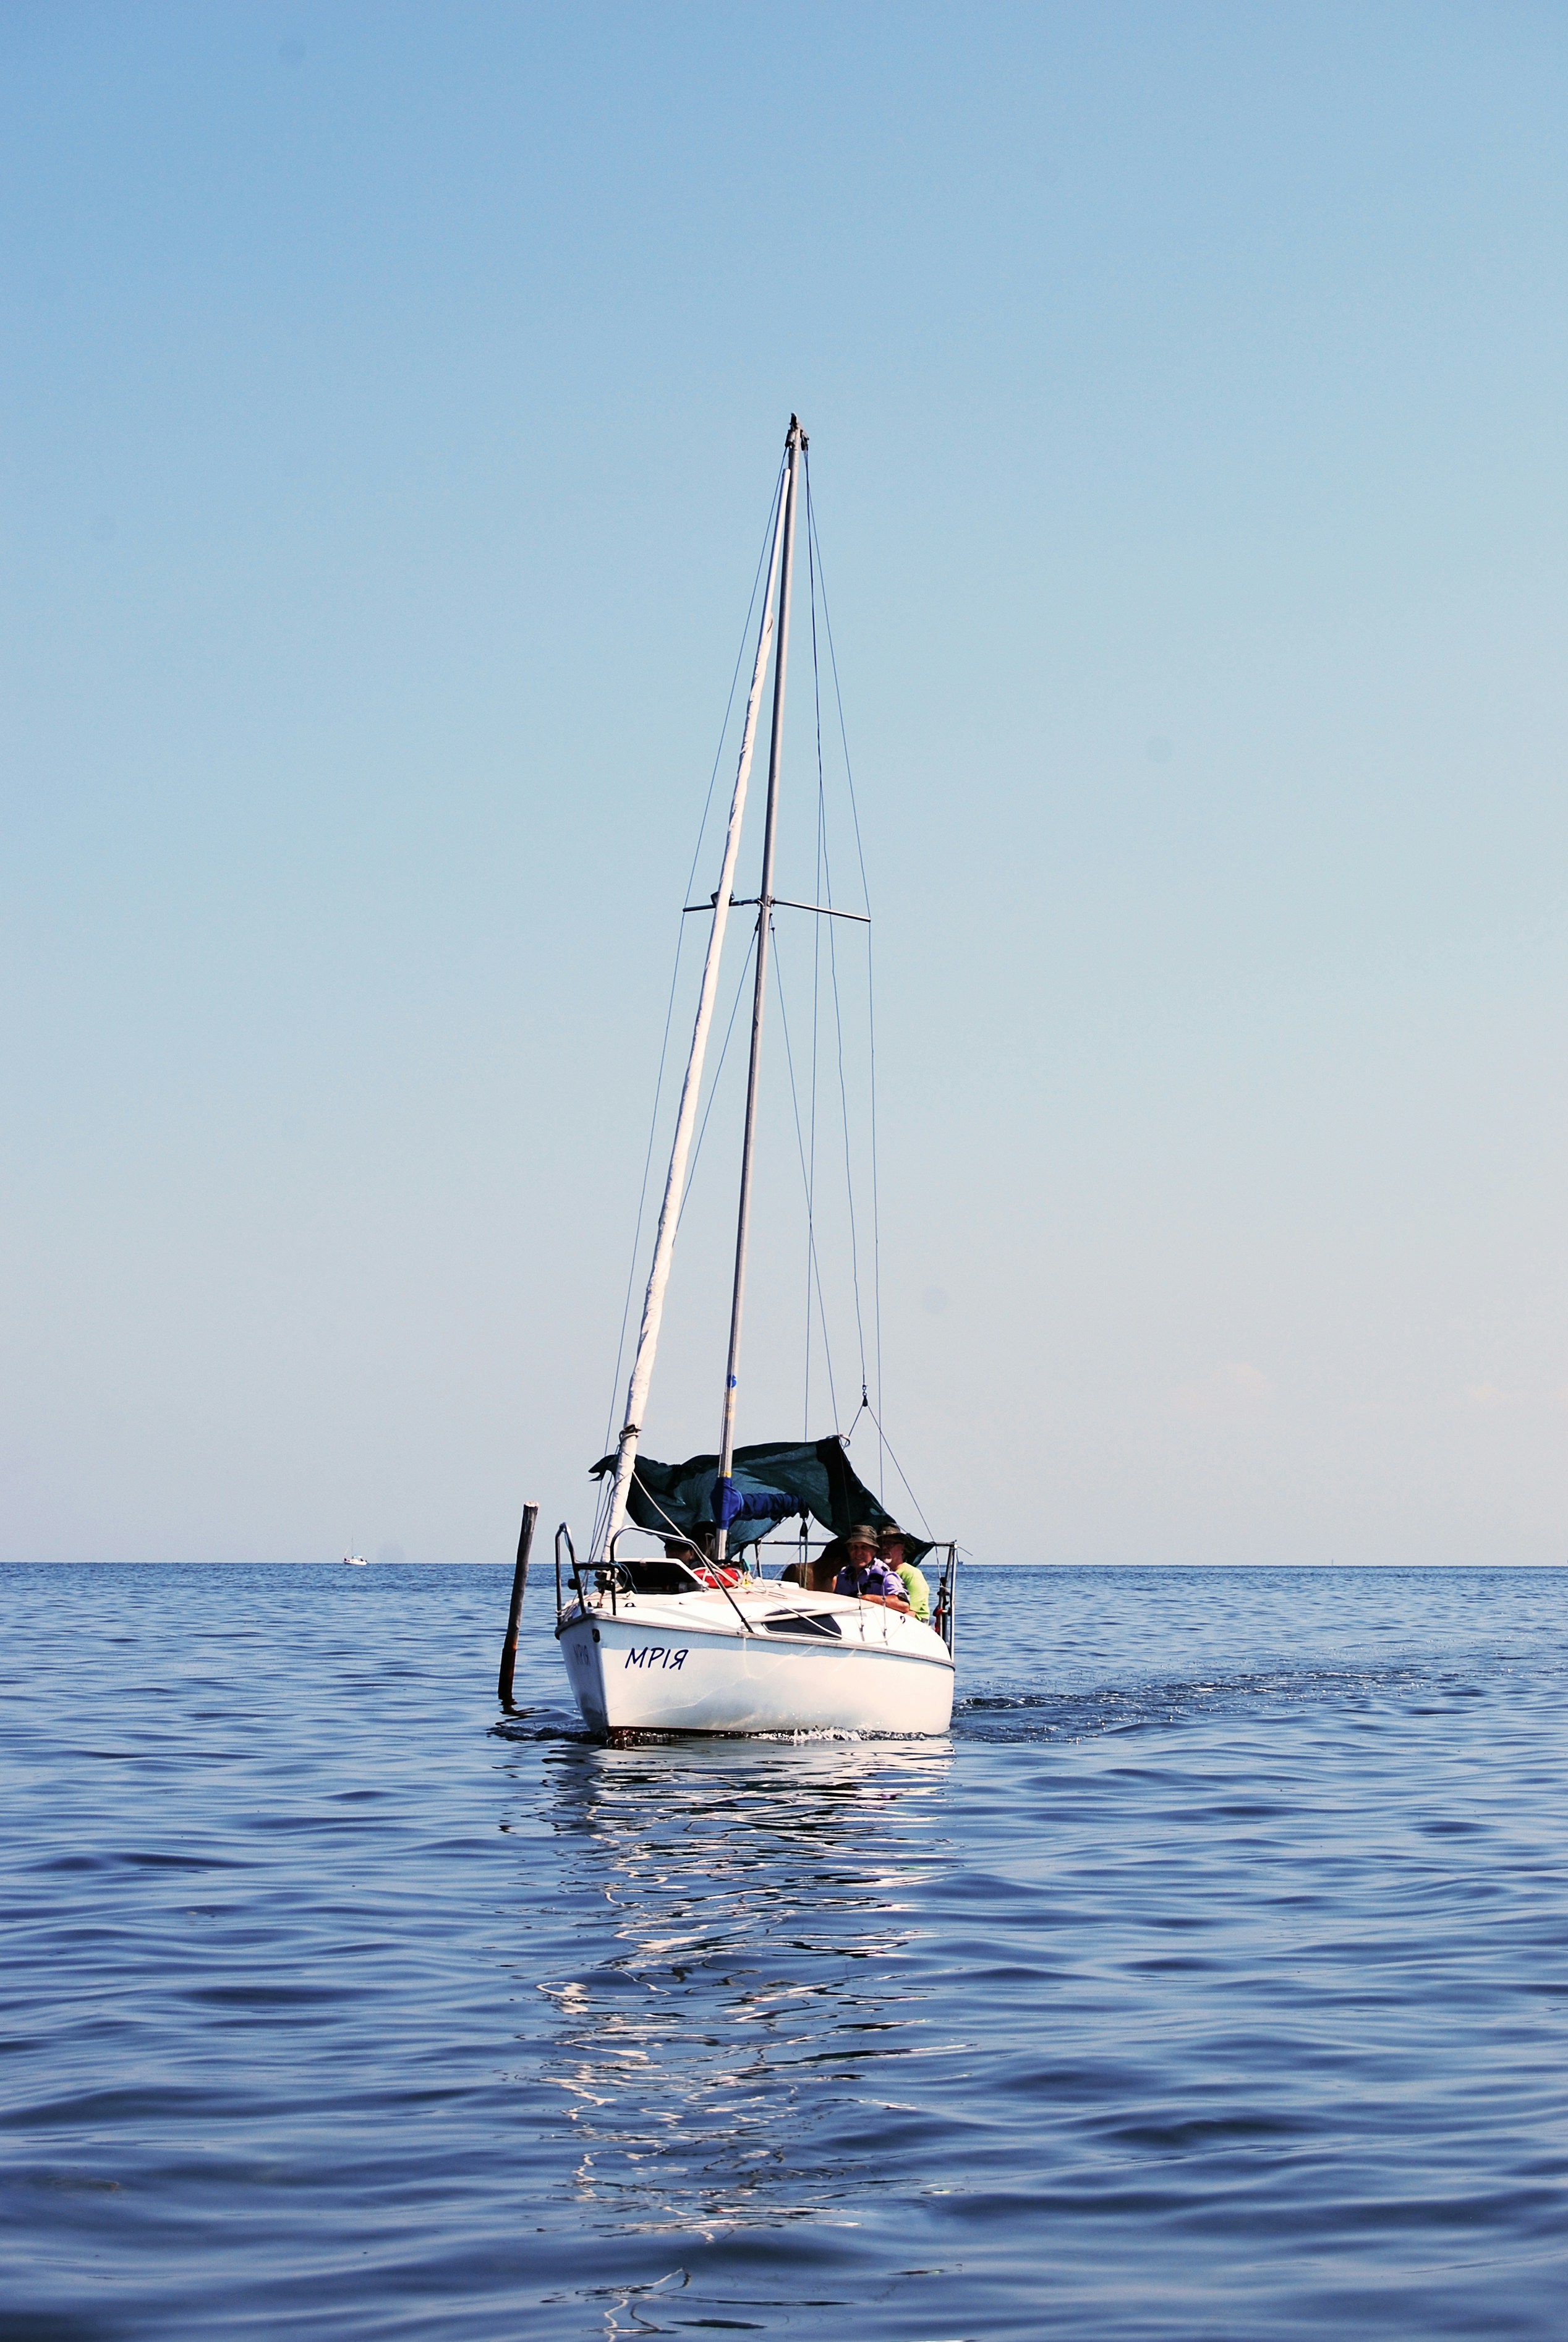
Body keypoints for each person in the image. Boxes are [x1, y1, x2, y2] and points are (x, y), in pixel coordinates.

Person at [833, 1525, 911, 1612]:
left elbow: (903, 1605)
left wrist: (868, 1598)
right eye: (854, 1547)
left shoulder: (883, 1574)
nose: (858, 1553)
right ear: (848, 1550)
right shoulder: (843, 1575)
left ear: (874, 1550)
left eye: (864, 1547)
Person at [878, 1528, 929, 1622]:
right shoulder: (876, 1574)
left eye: (890, 1544)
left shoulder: (912, 1574)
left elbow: (911, 1613)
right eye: (881, 1544)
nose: (884, 1548)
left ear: (902, 1548)